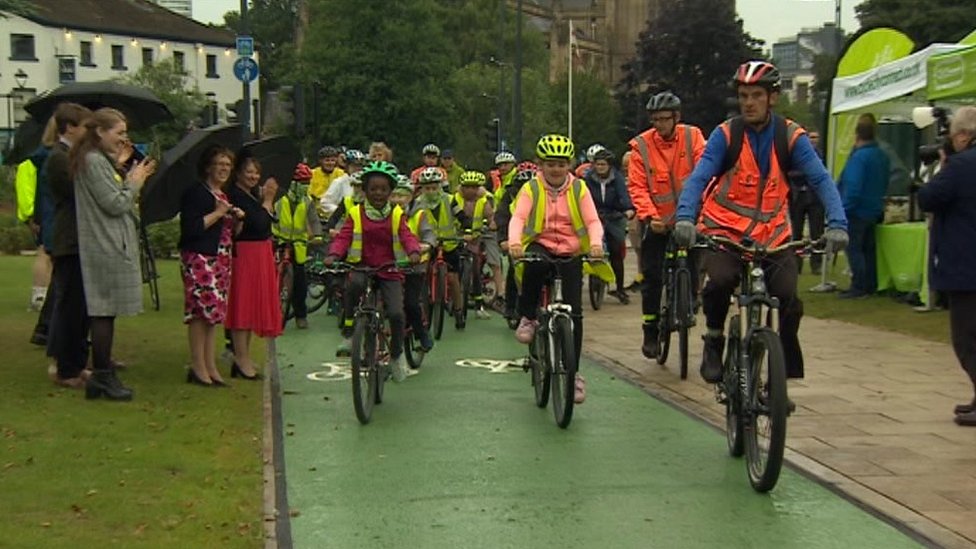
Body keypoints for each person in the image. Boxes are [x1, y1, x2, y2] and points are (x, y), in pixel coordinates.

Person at [673, 60, 849, 385]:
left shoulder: (791, 136)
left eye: (756, 95)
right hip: (725, 231)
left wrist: (838, 223)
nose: (749, 102)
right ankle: (714, 338)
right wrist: (685, 217)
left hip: (773, 234)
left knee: (788, 294)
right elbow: (699, 177)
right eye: (743, 96)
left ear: (773, 97)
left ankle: (784, 358)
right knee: (721, 282)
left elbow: (821, 180)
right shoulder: (726, 135)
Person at [509, 134, 604, 404]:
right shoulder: (532, 188)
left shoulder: (579, 188)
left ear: (569, 165)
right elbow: (518, 217)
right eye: (550, 164)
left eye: (561, 164)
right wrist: (515, 243)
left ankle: (574, 375)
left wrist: (595, 245)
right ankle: (528, 316)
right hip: (541, 244)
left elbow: (593, 221)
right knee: (534, 267)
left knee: (575, 313)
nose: (556, 169)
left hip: (570, 250)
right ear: (540, 164)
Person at [71, 108, 156, 400]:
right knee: (103, 311)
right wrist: (135, 180)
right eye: (118, 132)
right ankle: (102, 377)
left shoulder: (97, 161)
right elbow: (114, 203)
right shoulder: (93, 161)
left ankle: (103, 375)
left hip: (105, 242)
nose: (124, 139)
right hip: (104, 245)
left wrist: (121, 169)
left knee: (106, 311)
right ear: (100, 132)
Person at [326, 161, 421, 382]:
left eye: (383, 189)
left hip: (389, 270)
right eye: (373, 189)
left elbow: (407, 236)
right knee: (353, 286)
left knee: (397, 314)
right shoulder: (356, 213)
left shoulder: (397, 214)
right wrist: (333, 255)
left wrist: (414, 251)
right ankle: (350, 332)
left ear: (390, 191)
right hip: (362, 266)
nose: (378, 193)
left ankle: (397, 356)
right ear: (365, 190)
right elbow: (344, 237)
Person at [627, 90, 706, 358]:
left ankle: (691, 298)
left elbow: (706, 173)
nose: (660, 125)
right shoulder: (641, 146)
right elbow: (637, 186)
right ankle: (650, 330)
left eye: (664, 119)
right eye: (655, 119)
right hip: (658, 219)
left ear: (676, 117)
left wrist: (699, 213)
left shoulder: (692, 137)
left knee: (695, 258)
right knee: (652, 276)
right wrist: (650, 217)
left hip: (688, 217)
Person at [916, 105, 976, 425]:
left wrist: (941, 168)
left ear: (964, 136)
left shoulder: (959, 166)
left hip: (966, 265)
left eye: (953, 137)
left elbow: (928, 198)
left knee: (966, 339)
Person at [179, 145, 240, 387]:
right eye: (219, 165)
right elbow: (192, 228)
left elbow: (228, 231)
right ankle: (198, 366)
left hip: (221, 258)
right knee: (199, 313)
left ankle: (210, 365)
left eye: (228, 165)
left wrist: (235, 220)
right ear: (208, 167)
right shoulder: (196, 193)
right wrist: (218, 213)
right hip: (199, 257)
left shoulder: (223, 195)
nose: (224, 169)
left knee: (214, 314)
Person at [45, 103, 93, 387]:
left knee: (81, 307)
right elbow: (79, 191)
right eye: (84, 127)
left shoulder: (71, 155)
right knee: (70, 305)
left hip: (80, 240)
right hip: (69, 240)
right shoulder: (58, 157)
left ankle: (77, 361)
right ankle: (66, 368)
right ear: (70, 128)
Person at [225, 154, 281, 380]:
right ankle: (240, 358)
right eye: (248, 171)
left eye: (256, 171)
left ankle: (244, 356)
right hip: (246, 254)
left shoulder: (250, 195)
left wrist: (264, 201)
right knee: (242, 305)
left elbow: (266, 223)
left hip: (260, 252)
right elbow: (257, 223)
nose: (253, 176)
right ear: (237, 172)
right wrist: (267, 201)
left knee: (249, 307)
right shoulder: (236, 195)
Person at [838, 114, 889, 299]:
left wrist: (842, 210)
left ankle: (859, 286)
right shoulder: (882, 155)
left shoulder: (859, 157)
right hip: (874, 209)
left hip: (857, 210)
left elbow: (853, 186)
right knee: (869, 250)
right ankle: (870, 284)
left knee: (855, 250)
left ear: (857, 135)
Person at [415, 166, 468, 329]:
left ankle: (458, 310)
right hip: (427, 245)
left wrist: (467, 230)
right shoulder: (417, 203)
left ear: (440, 186)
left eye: (434, 187)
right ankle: (423, 309)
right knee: (421, 275)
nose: (431, 191)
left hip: (449, 243)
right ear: (421, 188)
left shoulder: (449, 199)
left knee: (452, 279)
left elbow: (462, 217)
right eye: (427, 188)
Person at [390, 177, 436, 357]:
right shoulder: (386, 213)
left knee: (411, 302)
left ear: (411, 196)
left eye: (402, 195)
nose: (398, 199)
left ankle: (422, 334)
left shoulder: (419, 214)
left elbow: (429, 234)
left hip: (414, 265)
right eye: (394, 195)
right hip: (391, 265)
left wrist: (426, 245)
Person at [584, 148, 635, 304]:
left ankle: (619, 289)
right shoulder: (588, 179)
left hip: (614, 215)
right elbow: (583, 196)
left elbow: (623, 195)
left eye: (603, 165)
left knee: (615, 251)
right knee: (590, 247)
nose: (600, 167)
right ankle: (593, 279)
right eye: (597, 164)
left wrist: (628, 209)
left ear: (610, 166)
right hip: (595, 215)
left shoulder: (617, 178)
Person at [273, 163, 320, 329]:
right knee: (271, 277)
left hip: (298, 245)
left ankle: (301, 315)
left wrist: (318, 235)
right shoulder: (279, 198)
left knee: (300, 281)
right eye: (302, 183)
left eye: (307, 183)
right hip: (278, 241)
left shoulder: (307, 202)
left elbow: (314, 220)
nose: (305, 187)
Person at [496, 163, 537, 323]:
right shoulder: (510, 195)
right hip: (516, 239)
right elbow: (502, 217)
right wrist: (503, 239)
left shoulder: (545, 193)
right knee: (515, 271)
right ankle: (511, 307)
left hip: (538, 239)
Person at [456, 170, 496, 319]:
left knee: (475, 268)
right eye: (467, 187)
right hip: (456, 237)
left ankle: (479, 305)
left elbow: (491, 217)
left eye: (474, 187)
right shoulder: (455, 200)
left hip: (475, 238)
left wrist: (491, 224)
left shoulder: (484, 201)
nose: (470, 190)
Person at [787, 129, 826, 274]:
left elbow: (822, 174)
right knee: (797, 233)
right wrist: (806, 173)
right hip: (798, 197)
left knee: (817, 232)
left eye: (816, 137)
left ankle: (816, 265)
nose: (813, 140)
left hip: (815, 198)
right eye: (811, 137)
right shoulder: (796, 155)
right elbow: (790, 172)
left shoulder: (821, 154)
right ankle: (796, 265)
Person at [320, 149, 366, 217]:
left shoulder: (366, 182)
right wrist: (341, 212)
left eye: (360, 166)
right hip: (344, 222)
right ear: (347, 166)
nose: (357, 169)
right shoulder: (339, 182)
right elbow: (325, 203)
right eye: (354, 166)